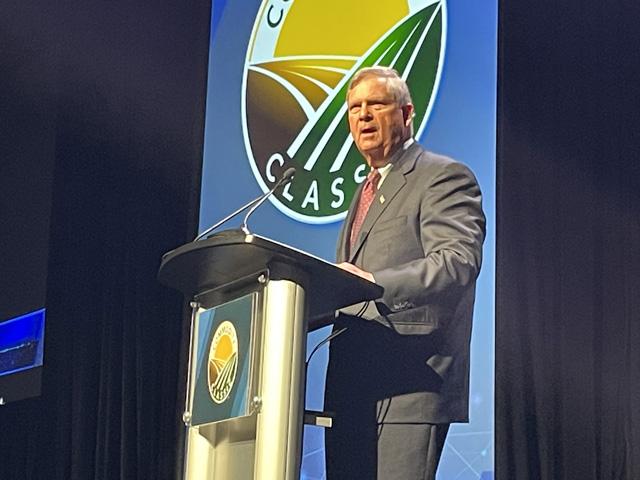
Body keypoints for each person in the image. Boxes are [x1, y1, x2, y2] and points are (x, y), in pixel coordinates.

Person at [324, 66, 486, 479]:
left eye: (376, 104)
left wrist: (371, 284)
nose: (363, 115)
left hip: (408, 387)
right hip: (351, 392)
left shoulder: (441, 176)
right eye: (354, 108)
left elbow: (457, 261)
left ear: (406, 113)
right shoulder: (363, 192)